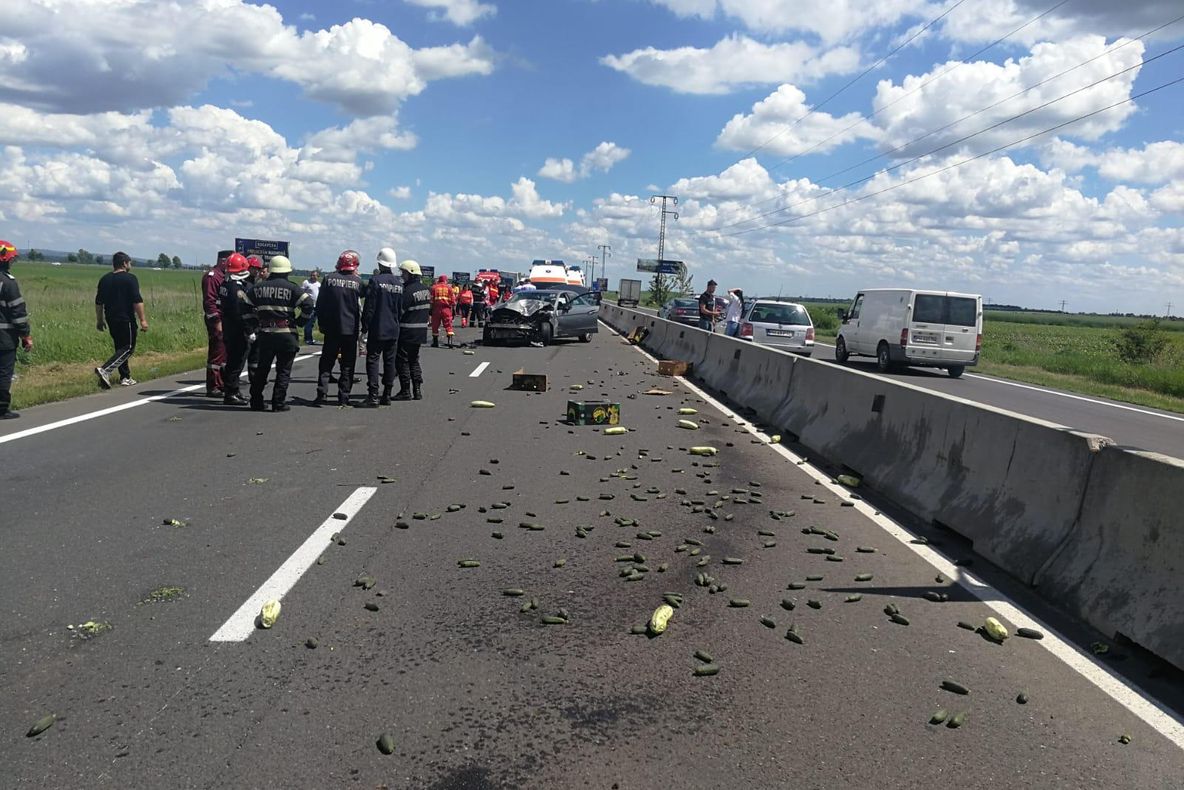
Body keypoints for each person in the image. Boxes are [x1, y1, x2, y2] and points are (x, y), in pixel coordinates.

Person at [242, 255, 312, 412]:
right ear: (287, 271)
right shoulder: (293, 288)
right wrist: (301, 322)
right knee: (284, 370)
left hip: (265, 334)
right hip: (287, 334)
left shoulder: (258, 288)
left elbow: (244, 306)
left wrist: (253, 324)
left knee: (262, 369)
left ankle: (256, 401)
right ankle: (278, 403)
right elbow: (308, 304)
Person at [314, 250, 363, 406]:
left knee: (326, 362)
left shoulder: (328, 279)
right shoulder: (358, 282)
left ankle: (322, 394)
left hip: (332, 329)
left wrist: (321, 324)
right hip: (350, 329)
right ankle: (344, 397)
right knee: (348, 364)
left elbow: (320, 305)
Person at [94, 251, 148, 389]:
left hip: (111, 318)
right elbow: (137, 301)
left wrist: (100, 320)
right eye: (130, 262)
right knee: (128, 347)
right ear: (124, 263)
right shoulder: (130, 279)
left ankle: (125, 376)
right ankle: (105, 369)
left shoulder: (104, 279)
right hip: (126, 319)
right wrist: (143, 320)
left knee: (120, 347)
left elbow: (99, 303)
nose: (130, 265)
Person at [360, 247, 403, 406]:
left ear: (380, 263)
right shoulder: (399, 283)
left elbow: (369, 307)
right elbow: (400, 309)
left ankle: (372, 395)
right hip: (393, 328)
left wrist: (364, 326)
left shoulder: (376, 281)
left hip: (378, 328)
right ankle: (387, 394)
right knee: (389, 362)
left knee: (373, 360)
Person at [0, 241, 33, 419]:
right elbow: (18, 313)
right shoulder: (8, 282)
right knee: (4, 373)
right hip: (4, 338)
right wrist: (25, 335)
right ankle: (2, 409)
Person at [217, 253, 252, 405]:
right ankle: (231, 393)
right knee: (236, 362)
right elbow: (241, 313)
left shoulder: (225, 285)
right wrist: (249, 331)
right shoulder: (237, 289)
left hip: (228, 326)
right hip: (238, 329)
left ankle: (234, 390)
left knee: (233, 359)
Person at [396, 260, 429, 400]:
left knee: (402, 361)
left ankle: (405, 391)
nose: (402, 275)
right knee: (414, 360)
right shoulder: (425, 290)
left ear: (410, 273)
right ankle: (417, 390)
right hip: (420, 331)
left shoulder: (407, 291)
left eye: (403, 273)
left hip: (407, 331)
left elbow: (399, 311)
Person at [201, 251, 231, 397]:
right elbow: (210, 302)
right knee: (217, 353)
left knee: (225, 354)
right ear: (223, 261)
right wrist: (216, 321)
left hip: (225, 318)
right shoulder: (212, 277)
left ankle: (222, 383)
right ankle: (213, 386)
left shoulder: (225, 276)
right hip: (216, 319)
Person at [244, 256, 266, 386]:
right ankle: (231, 386)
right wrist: (249, 329)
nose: (257, 272)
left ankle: (255, 379)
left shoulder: (255, 284)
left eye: (258, 269)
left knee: (255, 356)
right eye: (255, 269)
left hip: (256, 323)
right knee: (242, 356)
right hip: (247, 325)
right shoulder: (245, 284)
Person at [429, 274, 454, 348]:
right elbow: (452, 301)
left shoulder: (434, 288)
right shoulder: (449, 288)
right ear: (445, 280)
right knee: (448, 325)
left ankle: (435, 342)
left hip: (436, 309)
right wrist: (454, 311)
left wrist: (430, 309)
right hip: (446, 309)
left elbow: (431, 300)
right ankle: (450, 342)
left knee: (435, 325)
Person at [300, 270, 321, 345]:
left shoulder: (318, 284)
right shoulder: (306, 282)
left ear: (318, 276)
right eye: (312, 275)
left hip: (316, 305)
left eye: (315, 275)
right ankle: (307, 339)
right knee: (308, 322)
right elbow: (301, 292)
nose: (313, 277)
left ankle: (310, 338)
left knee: (312, 323)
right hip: (309, 305)